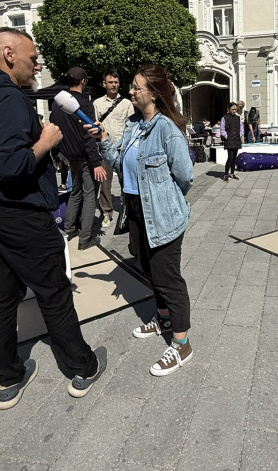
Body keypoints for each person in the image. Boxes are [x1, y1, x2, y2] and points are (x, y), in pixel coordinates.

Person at [0, 26, 104, 407]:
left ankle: (9, 376)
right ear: (8, 54)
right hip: (20, 211)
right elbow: (11, 164)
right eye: (33, 58)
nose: (38, 66)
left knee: (3, 294)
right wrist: (46, 142)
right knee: (53, 290)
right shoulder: (5, 97)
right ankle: (82, 367)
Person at [87, 64, 195, 376]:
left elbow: (185, 177)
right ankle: (162, 318)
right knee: (148, 269)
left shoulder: (167, 129)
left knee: (168, 278)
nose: (130, 91)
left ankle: (182, 343)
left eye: (136, 87)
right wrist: (105, 138)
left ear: (154, 93)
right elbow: (119, 162)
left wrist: (165, 198)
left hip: (161, 214)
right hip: (134, 211)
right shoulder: (135, 125)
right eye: (131, 86)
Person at [51, 67, 106, 250]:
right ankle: (85, 238)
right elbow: (88, 136)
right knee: (90, 195)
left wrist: (57, 155)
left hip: (69, 156)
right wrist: (96, 163)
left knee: (76, 192)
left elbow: (54, 130)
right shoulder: (85, 104)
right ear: (84, 81)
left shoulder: (56, 104)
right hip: (85, 157)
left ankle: (69, 229)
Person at [93, 70, 136, 229]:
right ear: (104, 84)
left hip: (123, 148)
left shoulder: (126, 104)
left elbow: (131, 126)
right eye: (110, 82)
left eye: (116, 82)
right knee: (105, 183)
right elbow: (94, 125)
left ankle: (129, 209)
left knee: (127, 180)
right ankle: (106, 212)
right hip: (104, 149)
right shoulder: (97, 103)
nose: (114, 85)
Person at [220, 102, 243, 182]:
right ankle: (226, 174)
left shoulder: (237, 118)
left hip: (236, 139)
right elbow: (222, 129)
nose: (234, 111)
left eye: (235, 109)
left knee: (234, 157)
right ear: (228, 109)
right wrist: (226, 136)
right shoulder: (225, 117)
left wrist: (240, 134)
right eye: (232, 109)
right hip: (229, 140)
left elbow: (241, 127)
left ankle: (232, 173)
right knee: (230, 157)